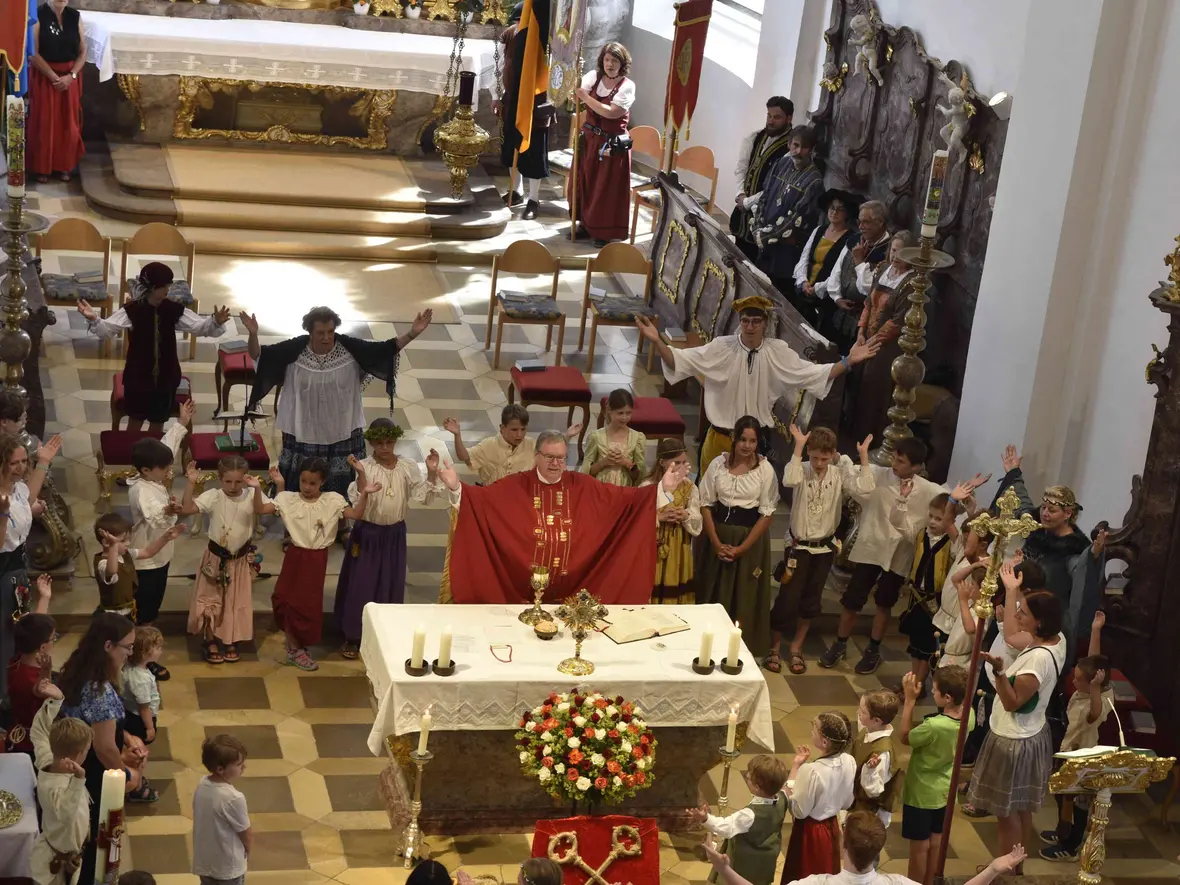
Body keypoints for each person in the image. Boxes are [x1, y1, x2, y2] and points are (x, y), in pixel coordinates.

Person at [437, 429, 689, 604]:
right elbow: (481, 503)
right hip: (519, 592)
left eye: (561, 458)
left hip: (574, 592)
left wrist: (661, 490)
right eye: (549, 457)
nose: (555, 463)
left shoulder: (584, 485)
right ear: (536, 456)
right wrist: (456, 487)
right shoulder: (515, 485)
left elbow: (628, 502)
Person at [637, 294, 879, 470]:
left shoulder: (777, 351)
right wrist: (657, 341)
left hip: (754, 442)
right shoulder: (722, 347)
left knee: (749, 504)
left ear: (765, 324)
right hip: (721, 438)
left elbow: (813, 373)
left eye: (756, 321)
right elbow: (679, 360)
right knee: (709, 505)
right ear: (739, 322)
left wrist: (848, 361)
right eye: (745, 321)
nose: (750, 326)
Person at [820, 438, 979, 674]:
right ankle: (840, 643)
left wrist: (963, 497)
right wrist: (838, 457)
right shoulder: (878, 474)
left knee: (885, 603)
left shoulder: (927, 489)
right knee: (852, 600)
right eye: (894, 457)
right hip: (871, 548)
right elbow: (852, 473)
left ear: (916, 467)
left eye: (901, 461)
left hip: (898, 556)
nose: (894, 462)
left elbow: (948, 501)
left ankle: (873, 650)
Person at [244, 304, 432, 503]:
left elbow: (384, 349)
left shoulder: (351, 349)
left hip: (342, 430)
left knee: (342, 483)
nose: (326, 337)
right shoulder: (294, 350)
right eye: (320, 333)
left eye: (330, 332)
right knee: (302, 479)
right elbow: (260, 356)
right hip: (303, 429)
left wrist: (412, 333)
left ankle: (341, 521)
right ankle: (295, 517)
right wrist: (253, 335)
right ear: (310, 332)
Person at [967, 582, 1066, 866]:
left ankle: (1004, 872)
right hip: (1032, 732)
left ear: (1040, 621)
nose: (1018, 617)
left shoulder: (1036, 661)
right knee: (1021, 808)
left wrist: (999, 672)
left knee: (1006, 813)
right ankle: (1016, 865)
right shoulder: (1057, 639)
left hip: (1014, 740)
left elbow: (1012, 702)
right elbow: (1013, 634)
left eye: (1023, 613)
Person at [249, 459, 376, 670]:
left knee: (306, 604)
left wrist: (365, 494)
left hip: (316, 559)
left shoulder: (332, 501)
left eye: (312, 483)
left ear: (322, 482)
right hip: (295, 556)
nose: (307, 487)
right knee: (285, 598)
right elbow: (261, 509)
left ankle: (296, 648)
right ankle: (293, 646)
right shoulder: (288, 499)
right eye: (303, 481)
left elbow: (356, 514)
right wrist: (255, 489)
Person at [767, 425, 873, 674]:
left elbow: (865, 489)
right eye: (814, 457)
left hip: (823, 549)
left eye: (824, 458)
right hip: (797, 547)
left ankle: (796, 647)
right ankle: (773, 647)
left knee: (811, 600)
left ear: (833, 454)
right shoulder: (801, 470)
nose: (818, 463)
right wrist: (799, 447)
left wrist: (862, 457)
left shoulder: (838, 474)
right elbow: (788, 480)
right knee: (787, 598)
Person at [58, 613, 154, 885]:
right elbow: (103, 748)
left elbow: (94, 722)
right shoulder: (99, 689)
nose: (131, 653)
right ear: (108, 646)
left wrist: (124, 735)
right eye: (128, 647)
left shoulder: (78, 668)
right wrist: (126, 774)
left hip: (74, 762)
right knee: (99, 839)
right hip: (94, 777)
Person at [335, 419, 443, 658]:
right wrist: (361, 474)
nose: (385, 447)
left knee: (389, 582)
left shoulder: (406, 466)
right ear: (372, 443)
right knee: (362, 583)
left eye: (389, 442)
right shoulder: (365, 465)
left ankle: (385, 633)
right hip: (368, 533)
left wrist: (432, 473)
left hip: (394, 534)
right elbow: (360, 498)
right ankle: (354, 636)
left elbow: (422, 496)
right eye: (379, 443)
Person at [990, 445, 1106, 662]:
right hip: (1014, 607)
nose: (1044, 513)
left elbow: (1083, 573)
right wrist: (1014, 474)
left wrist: (1094, 556)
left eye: (1051, 510)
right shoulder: (1035, 526)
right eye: (1043, 507)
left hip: (1041, 623)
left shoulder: (1073, 550)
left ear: (1068, 514)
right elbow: (1022, 502)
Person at [79, 266, 228, 432]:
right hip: (137, 379)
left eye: (168, 286)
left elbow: (199, 327)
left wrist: (216, 322)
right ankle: (133, 456)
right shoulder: (132, 310)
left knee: (158, 423)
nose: (167, 290)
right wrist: (94, 319)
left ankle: (153, 457)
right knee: (135, 423)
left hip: (166, 379)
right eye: (163, 286)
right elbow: (107, 330)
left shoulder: (173, 309)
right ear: (151, 288)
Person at [704, 810, 1027, 885]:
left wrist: (724, 867)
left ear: (843, 845)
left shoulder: (816, 884)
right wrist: (994, 869)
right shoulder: (898, 884)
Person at [696, 417, 778, 657]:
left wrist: (742, 549)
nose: (747, 445)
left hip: (748, 539)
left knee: (745, 593)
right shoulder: (718, 465)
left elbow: (767, 514)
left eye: (752, 441)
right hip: (718, 535)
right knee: (713, 588)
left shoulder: (764, 470)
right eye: (743, 439)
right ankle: (707, 645)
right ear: (734, 438)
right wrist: (715, 542)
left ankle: (739, 650)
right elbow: (705, 503)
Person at [1041, 613, 1111, 862]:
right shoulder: (1091, 685)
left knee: (1077, 803)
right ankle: (1062, 832)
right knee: (1062, 796)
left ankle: (1071, 846)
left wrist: (1092, 688)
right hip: (1068, 751)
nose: (1073, 679)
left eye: (1079, 679)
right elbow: (1093, 661)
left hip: (1083, 760)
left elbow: (1093, 714)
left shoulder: (1099, 700)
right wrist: (1095, 630)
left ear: (1094, 684)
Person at [179, 456, 258, 665]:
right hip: (215, 559)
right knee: (211, 600)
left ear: (246, 479)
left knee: (234, 601)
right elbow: (186, 509)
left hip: (239, 561)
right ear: (220, 479)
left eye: (238, 482)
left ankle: (230, 638)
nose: (233, 486)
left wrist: (264, 488)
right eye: (228, 481)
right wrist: (191, 483)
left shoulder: (251, 496)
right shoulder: (213, 497)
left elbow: (267, 510)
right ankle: (210, 640)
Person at [127, 402, 194, 645]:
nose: (168, 470)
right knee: (146, 606)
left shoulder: (150, 474)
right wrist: (168, 509)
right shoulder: (141, 490)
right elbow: (154, 515)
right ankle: (140, 647)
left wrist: (182, 423)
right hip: (148, 560)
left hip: (161, 553)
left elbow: (167, 448)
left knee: (154, 601)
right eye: (164, 467)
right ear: (145, 469)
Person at [898, 666, 973, 884]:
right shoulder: (969, 713)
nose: (931, 691)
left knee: (920, 846)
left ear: (948, 697)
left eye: (935, 689)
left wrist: (910, 701)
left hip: (922, 791)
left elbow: (904, 737)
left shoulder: (933, 726)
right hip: (946, 787)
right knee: (937, 841)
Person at [0, 430, 60, 697]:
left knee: (20, 625)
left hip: (17, 569)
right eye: (15, 463)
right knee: (6, 631)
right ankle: (4, 691)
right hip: (3, 570)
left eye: (24, 461)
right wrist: (2, 515)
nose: (21, 467)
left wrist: (44, 461)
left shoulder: (17, 489)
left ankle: (23, 675)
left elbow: (29, 497)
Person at [849, 231, 918, 443]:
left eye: (901, 252)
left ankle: (871, 438)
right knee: (857, 382)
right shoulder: (881, 269)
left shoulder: (911, 284)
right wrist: (861, 332)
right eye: (893, 250)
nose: (895, 256)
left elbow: (898, 321)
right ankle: (851, 432)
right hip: (867, 339)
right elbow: (869, 303)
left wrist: (874, 340)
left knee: (874, 387)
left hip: (887, 347)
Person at [687, 754, 788, 885]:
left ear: (757, 786)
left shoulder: (749, 815)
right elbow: (789, 788)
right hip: (765, 861)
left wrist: (705, 818)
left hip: (744, 863)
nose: (746, 777)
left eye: (749, 777)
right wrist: (796, 765)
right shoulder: (782, 798)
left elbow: (725, 828)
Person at [897, 493, 962, 691]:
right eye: (931, 516)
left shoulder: (952, 543)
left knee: (927, 646)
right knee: (915, 644)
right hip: (917, 598)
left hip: (935, 603)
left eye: (939, 518)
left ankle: (917, 684)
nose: (933, 522)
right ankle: (914, 680)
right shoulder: (921, 535)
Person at [573, 42, 636, 246]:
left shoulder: (627, 86)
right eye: (607, 60)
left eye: (614, 60)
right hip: (590, 138)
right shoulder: (593, 77)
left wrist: (584, 97)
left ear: (622, 63)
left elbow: (611, 112)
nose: (610, 64)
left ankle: (604, 231)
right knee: (586, 180)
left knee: (605, 188)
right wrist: (573, 72)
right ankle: (585, 223)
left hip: (611, 143)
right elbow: (571, 96)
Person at [780, 711, 855, 882]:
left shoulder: (811, 771)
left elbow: (799, 811)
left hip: (810, 832)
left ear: (824, 741)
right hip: (832, 826)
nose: (811, 731)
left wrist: (794, 773)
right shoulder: (849, 761)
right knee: (827, 872)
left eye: (815, 729)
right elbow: (847, 802)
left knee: (806, 874)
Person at [750, 127, 825, 296]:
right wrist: (757, 228)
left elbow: (796, 220)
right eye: (796, 145)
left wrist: (763, 237)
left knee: (775, 295)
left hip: (785, 252)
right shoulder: (781, 163)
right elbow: (765, 196)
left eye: (804, 147)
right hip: (764, 245)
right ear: (789, 144)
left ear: (812, 150)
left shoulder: (814, 180)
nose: (798, 151)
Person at [497, 0, 553, 220]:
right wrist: (497, 96)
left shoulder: (543, 39)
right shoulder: (510, 36)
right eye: (518, 21)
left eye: (523, 21)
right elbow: (502, 65)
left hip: (536, 103)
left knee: (534, 153)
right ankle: (516, 191)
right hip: (512, 100)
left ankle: (534, 199)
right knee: (512, 147)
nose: (520, 25)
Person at [815, 200, 892, 353]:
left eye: (866, 222)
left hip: (861, 323)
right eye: (859, 222)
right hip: (838, 311)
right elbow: (836, 271)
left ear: (880, 222)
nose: (860, 227)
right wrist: (836, 297)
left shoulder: (889, 252)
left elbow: (868, 288)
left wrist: (859, 262)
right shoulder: (854, 240)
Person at [444, 405, 582, 485]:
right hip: (493, 499)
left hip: (522, 500)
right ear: (502, 428)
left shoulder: (532, 445)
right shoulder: (489, 445)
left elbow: (551, 450)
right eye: (514, 430)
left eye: (523, 429)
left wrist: (567, 436)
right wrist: (457, 435)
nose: (519, 435)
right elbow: (464, 456)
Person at [27, 0, 86, 182]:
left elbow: (83, 51)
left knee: (68, 123)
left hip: (69, 79)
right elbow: (33, 52)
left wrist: (72, 76)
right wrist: (53, 77)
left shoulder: (74, 16)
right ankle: (41, 168)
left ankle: (64, 166)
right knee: (44, 122)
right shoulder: (37, 16)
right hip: (45, 77)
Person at [731, 97, 795, 261]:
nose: (771, 121)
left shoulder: (791, 149)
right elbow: (741, 169)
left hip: (766, 218)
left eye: (777, 117)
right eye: (769, 116)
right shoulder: (754, 138)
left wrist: (747, 203)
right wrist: (740, 195)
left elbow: (777, 186)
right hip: (742, 213)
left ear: (789, 119)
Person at [30, 718, 92, 885]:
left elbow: (38, 731)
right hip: (53, 864)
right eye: (87, 750)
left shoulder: (49, 758)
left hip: (70, 856)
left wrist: (55, 700)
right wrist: (79, 779)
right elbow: (66, 814)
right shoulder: (56, 789)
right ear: (80, 755)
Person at [640, 438, 701, 604]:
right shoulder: (648, 486)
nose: (682, 467)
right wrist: (659, 516)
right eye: (676, 463)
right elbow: (636, 521)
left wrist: (686, 516)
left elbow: (697, 521)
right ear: (662, 462)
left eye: (684, 462)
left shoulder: (689, 487)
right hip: (654, 547)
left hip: (679, 548)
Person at [94, 513, 184, 619]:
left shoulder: (125, 554)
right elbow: (112, 570)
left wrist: (165, 538)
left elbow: (147, 552)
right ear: (106, 542)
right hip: (112, 616)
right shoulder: (103, 563)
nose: (128, 543)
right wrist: (114, 545)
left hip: (128, 612)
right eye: (122, 540)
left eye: (128, 539)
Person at [791, 189, 860, 328]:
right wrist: (803, 281)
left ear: (847, 213)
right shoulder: (819, 230)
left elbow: (840, 271)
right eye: (832, 208)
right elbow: (804, 258)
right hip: (804, 290)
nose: (834, 212)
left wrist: (817, 288)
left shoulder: (850, 239)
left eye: (840, 209)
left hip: (825, 297)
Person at [193, 734, 252, 885]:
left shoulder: (203, 783)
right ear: (220, 768)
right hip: (228, 868)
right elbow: (245, 832)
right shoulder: (234, 798)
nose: (243, 767)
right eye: (239, 764)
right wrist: (247, 850)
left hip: (205, 861)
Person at [7, 600, 60, 757]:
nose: (54, 640)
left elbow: (34, 628)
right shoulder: (31, 678)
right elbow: (42, 689)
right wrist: (46, 670)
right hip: (33, 745)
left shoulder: (16, 659)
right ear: (43, 647)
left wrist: (45, 597)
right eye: (53, 637)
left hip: (19, 733)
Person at [851, 689, 901, 827]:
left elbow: (873, 791)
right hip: (857, 801)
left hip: (869, 813)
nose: (858, 713)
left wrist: (871, 771)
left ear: (877, 720)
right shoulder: (871, 728)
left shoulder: (881, 754)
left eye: (862, 711)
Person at [582, 389, 646, 486]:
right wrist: (604, 462)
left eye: (628, 413)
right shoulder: (596, 437)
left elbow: (638, 476)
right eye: (620, 413)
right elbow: (587, 472)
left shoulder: (637, 438)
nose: (624, 417)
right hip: (601, 489)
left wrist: (626, 463)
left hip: (624, 490)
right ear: (609, 410)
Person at [121, 626, 163, 744]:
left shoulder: (128, 665)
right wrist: (149, 728)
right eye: (158, 648)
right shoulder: (141, 680)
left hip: (129, 710)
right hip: (139, 719)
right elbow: (144, 708)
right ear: (144, 653)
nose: (161, 651)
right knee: (138, 743)